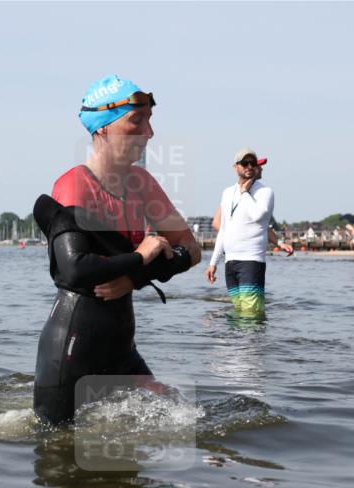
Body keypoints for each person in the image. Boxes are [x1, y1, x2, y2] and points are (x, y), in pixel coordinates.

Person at [32, 75, 201, 426]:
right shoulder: (75, 185)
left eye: (150, 121)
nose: (149, 133)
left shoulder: (143, 185)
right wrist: (141, 258)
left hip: (121, 348)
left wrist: (135, 277)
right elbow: (74, 270)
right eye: (136, 121)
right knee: (60, 450)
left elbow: (192, 248)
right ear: (104, 129)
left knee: (184, 418)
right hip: (72, 348)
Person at [205, 149, 292, 317]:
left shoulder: (265, 192)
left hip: (251, 260)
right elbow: (223, 229)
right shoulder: (227, 192)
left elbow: (258, 216)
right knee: (238, 312)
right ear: (235, 167)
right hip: (230, 261)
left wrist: (245, 192)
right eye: (245, 163)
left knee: (251, 314)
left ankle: (253, 344)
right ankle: (237, 344)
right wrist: (213, 262)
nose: (250, 166)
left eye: (253, 163)